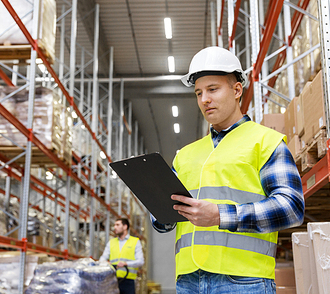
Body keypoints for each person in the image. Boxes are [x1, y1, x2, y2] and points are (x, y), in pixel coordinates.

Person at [151, 46, 305, 294]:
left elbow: (291, 208)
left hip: (245, 282)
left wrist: (221, 216)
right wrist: (159, 210)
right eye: (198, 92)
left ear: (236, 90)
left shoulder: (265, 142)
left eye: (212, 89)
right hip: (188, 281)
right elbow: (165, 222)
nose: (204, 100)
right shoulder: (185, 154)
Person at [100, 218, 144, 294]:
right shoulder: (111, 242)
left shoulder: (135, 241)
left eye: (117, 225)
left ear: (125, 227)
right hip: (113, 280)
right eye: (114, 225)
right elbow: (102, 259)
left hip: (128, 281)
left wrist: (125, 263)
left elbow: (140, 261)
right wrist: (106, 263)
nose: (115, 227)